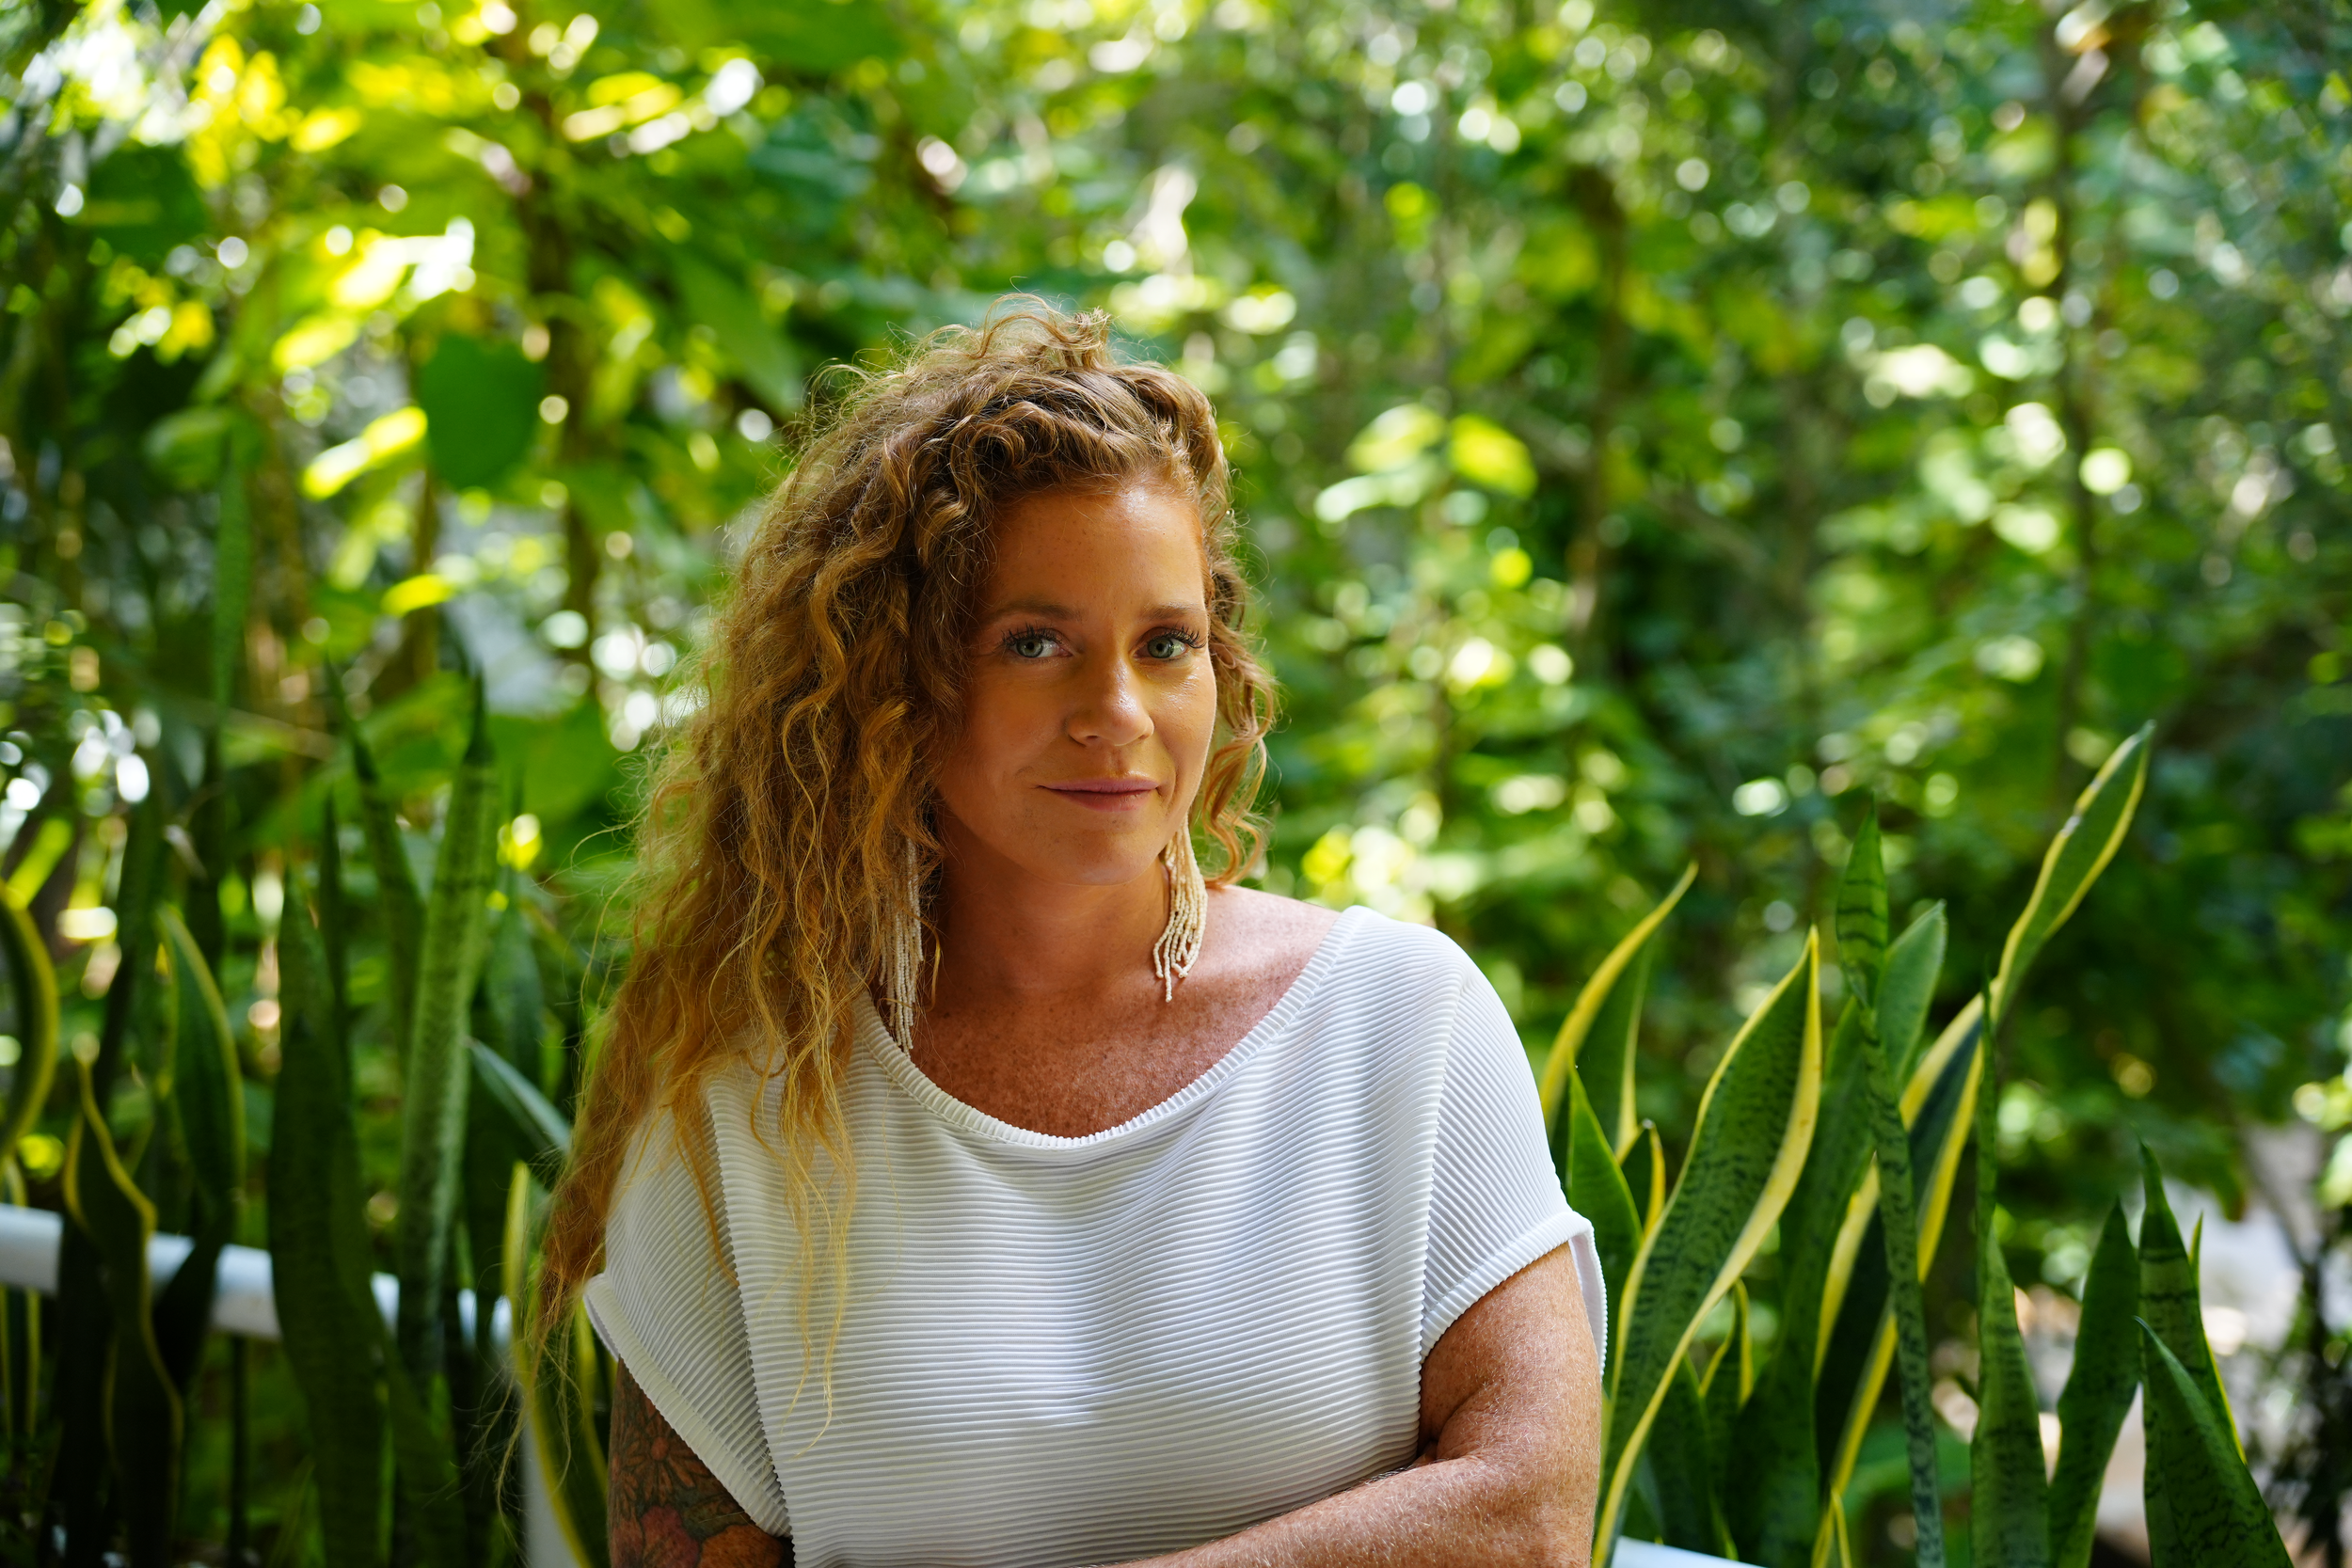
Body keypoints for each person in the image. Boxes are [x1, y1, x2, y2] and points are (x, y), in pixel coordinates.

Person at [533, 302, 1608, 1568]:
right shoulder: (750, 1104)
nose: (1117, 712)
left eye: (1167, 644)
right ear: (901, 681)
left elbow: (1529, 1510)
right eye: (1035, 642)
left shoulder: (1401, 1021)